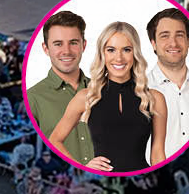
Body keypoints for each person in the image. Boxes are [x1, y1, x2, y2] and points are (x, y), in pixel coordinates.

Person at [49, 21, 167, 173]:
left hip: (140, 180)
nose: (119, 58)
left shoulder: (155, 98)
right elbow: (55, 140)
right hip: (102, 182)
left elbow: (157, 153)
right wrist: (82, 167)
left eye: (126, 50)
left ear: (135, 53)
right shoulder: (86, 97)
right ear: (102, 54)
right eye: (111, 50)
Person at [146, 7, 189, 159]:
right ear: (153, 44)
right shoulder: (136, 91)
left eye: (180, 35)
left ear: (188, 41)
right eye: (164, 36)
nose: (173, 43)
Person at [25, 10, 90, 161]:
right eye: (58, 44)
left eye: (73, 43)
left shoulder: (103, 89)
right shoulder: (34, 98)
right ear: (46, 49)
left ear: (83, 46)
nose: (66, 51)